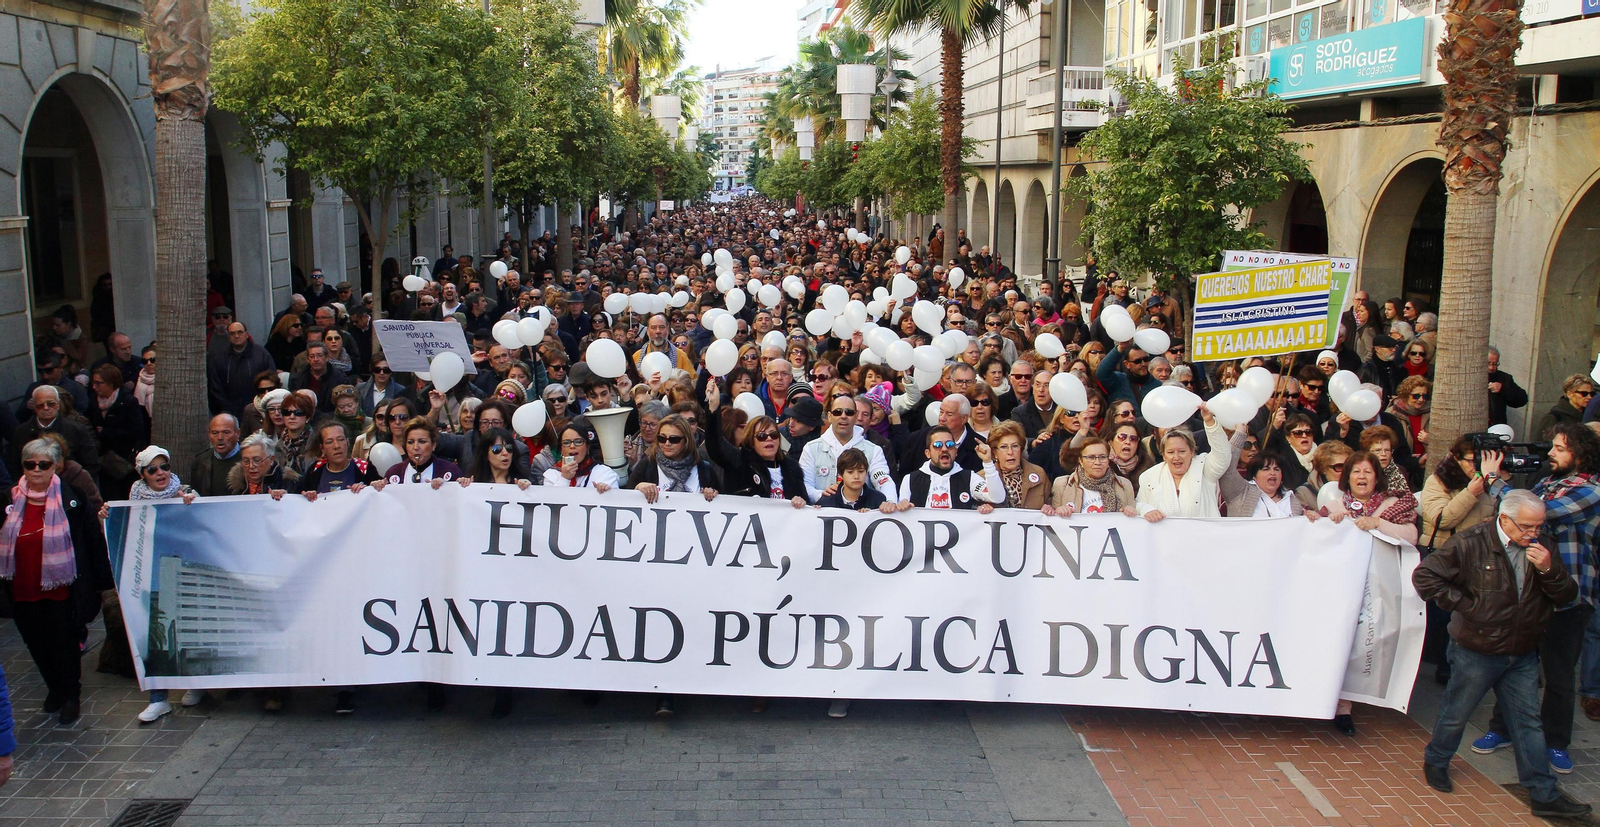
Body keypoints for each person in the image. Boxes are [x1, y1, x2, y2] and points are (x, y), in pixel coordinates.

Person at [1414, 490, 1593, 819]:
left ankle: (1542, 792)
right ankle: (1437, 761)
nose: (1533, 533)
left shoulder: (1543, 547)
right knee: (1456, 712)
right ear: (1504, 519)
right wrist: (1468, 606)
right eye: (1526, 526)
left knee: (1528, 724)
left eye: (1538, 526)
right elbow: (1425, 576)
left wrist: (1549, 570)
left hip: (1522, 651)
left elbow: (1568, 593)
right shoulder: (1471, 542)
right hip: (1477, 649)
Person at [1475, 423, 1600, 774]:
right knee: (1513, 661)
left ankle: (1555, 743)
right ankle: (1502, 729)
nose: (1551, 454)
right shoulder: (1547, 483)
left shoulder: (1592, 490)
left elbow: (1537, 513)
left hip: (1571, 596)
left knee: (1558, 675)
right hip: (1530, 591)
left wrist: (1492, 480)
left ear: (1579, 452)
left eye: (1559, 448)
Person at [0, 439, 111, 726]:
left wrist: (102, 583)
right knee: (36, 643)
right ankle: (54, 688)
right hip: (22, 588)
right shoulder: (9, 500)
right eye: (30, 464)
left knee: (63, 644)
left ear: (55, 467)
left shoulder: (72, 499)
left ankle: (71, 694)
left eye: (44, 464)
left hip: (63, 588)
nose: (36, 469)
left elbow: (91, 541)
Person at [119, 447, 200, 722]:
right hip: (150, 574)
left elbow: (204, 526)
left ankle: (195, 685)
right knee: (151, 630)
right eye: (152, 469)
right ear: (143, 475)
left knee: (188, 627)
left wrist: (193, 505)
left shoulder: (186, 492)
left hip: (181, 570)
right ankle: (158, 698)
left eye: (164, 466)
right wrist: (107, 515)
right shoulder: (133, 499)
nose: (160, 473)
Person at [800, 390, 897, 504]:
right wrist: (821, 495)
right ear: (829, 416)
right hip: (822, 514)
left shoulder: (874, 450)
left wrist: (890, 502)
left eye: (849, 412)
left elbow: (883, 480)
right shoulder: (811, 448)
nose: (843, 416)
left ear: (856, 416)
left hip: (861, 515)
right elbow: (804, 485)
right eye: (838, 412)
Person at [1136, 407, 1231, 520]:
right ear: (1163, 455)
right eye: (1170, 452)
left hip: (1204, 535)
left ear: (1192, 452)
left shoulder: (1204, 467)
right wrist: (1146, 510)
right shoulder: (1148, 477)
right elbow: (1138, 504)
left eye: (1182, 451)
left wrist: (1210, 421)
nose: (1176, 457)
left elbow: (1223, 454)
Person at [8, 386, 101, 485]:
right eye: (40, 405)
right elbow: (14, 464)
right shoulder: (21, 432)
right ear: (34, 407)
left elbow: (91, 463)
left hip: (70, 488)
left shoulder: (76, 429)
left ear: (58, 405)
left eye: (51, 404)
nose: (46, 408)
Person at [897, 426, 1005, 511]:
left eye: (950, 444)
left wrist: (987, 462)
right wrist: (902, 505)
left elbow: (997, 497)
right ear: (928, 453)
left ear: (956, 451)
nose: (944, 449)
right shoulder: (910, 479)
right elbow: (903, 510)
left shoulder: (969, 478)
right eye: (937, 445)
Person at [631, 414, 721, 508]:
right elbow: (626, 499)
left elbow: (721, 505)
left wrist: (712, 494)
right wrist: (639, 487)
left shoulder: (704, 469)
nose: (667, 443)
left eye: (674, 439)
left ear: (686, 440)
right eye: (662, 438)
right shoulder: (647, 465)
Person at [1045, 436, 1136, 517]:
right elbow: (1053, 518)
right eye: (1091, 457)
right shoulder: (1062, 484)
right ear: (1080, 461)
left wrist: (1130, 511)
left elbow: (1132, 524)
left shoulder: (1124, 484)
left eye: (1102, 457)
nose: (1097, 462)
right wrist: (1058, 511)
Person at [208, 322, 277, 418]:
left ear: (247, 334)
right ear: (228, 336)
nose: (236, 336)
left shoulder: (261, 354)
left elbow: (272, 380)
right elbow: (215, 386)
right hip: (229, 411)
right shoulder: (220, 358)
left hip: (258, 410)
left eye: (239, 332)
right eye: (232, 333)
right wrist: (225, 408)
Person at [300, 421, 382, 495]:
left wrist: (372, 487)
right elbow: (301, 496)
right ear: (322, 448)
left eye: (340, 439)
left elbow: (382, 494)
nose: (336, 446)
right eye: (329, 442)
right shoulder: (314, 471)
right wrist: (308, 495)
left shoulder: (364, 469)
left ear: (348, 442)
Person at [543, 417, 619, 490]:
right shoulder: (550, 475)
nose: (572, 446)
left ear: (587, 447)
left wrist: (605, 492)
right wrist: (564, 478)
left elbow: (613, 500)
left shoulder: (604, 472)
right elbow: (552, 501)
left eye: (578, 442)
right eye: (566, 443)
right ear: (561, 449)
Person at [987, 422, 1048, 511]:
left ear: (1021, 449)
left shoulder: (1039, 473)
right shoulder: (982, 478)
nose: (1010, 452)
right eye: (1004, 447)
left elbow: (1050, 503)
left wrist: (1050, 508)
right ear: (995, 452)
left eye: (1015, 446)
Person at [381, 418, 462, 486]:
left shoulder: (449, 471)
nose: (416, 447)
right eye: (410, 442)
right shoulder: (394, 473)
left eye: (422, 442)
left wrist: (445, 488)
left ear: (433, 445)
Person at [189, 414, 243, 497]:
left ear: (237, 433)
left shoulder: (248, 460)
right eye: (214, 433)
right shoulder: (200, 461)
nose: (220, 437)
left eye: (226, 432)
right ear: (208, 434)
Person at [1537, 374, 1592, 439]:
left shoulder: (1591, 414)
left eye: (1591, 393)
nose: (1589, 397)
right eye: (1584, 394)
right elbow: (1541, 445)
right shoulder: (1555, 417)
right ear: (1569, 394)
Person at [1487, 346, 1528, 428]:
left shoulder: (1504, 378)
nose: (1491, 367)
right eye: (1488, 363)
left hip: (1497, 427)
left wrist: (1503, 389)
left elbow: (1522, 399)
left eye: (1495, 364)